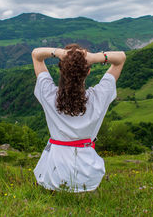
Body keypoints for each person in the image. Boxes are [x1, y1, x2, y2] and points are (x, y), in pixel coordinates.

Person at [31, 44, 126, 192]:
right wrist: (94, 57)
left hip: (53, 175)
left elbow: (36, 54)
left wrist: (61, 53)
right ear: (88, 72)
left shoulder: (49, 94)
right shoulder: (99, 97)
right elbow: (121, 58)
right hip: (88, 177)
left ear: (61, 70)